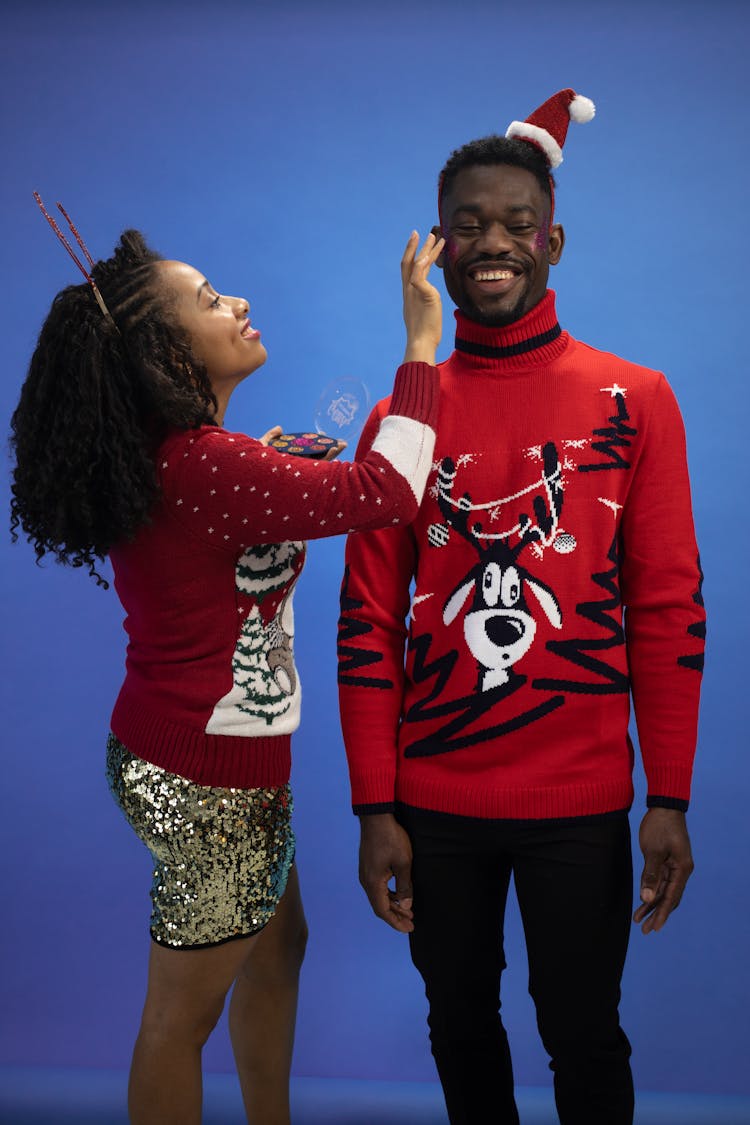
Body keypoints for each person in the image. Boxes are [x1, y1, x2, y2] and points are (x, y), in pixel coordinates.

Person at [10, 202, 444, 1125]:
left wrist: (272, 459)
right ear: (169, 357)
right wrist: (420, 347)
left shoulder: (193, 461)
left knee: (278, 946)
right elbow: (391, 492)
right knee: (177, 1018)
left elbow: (219, 526)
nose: (238, 302)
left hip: (188, 762)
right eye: (210, 299)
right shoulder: (203, 467)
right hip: (209, 784)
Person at [337, 89, 705, 1125]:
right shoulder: (400, 414)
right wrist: (375, 806)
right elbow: (367, 618)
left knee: (584, 1031)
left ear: (553, 240)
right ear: (436, 246)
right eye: (467, 225)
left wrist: (665, 794)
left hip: (581, 800)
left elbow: (669, 606)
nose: (491, 244)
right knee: (458, 1024)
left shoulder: (636, 399)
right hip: (436, 796)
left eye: (514, 224)